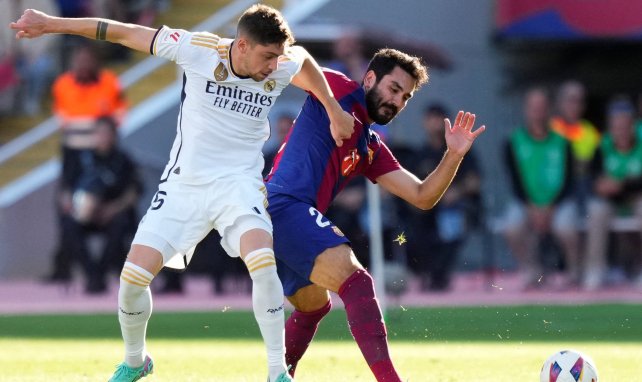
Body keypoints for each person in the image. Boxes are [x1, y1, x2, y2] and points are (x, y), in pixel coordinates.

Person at [11, 4, 354, 382]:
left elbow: (303, 61)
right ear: (241, 46)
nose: (275, 66)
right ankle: (136, 361)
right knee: (131, 280)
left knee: (262, 263)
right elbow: (123, 31)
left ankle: (277, 373)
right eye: (268, 56)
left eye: (277, 57)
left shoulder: (282, 62)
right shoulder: (197, 49)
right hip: (183, 187)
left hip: (238, 185)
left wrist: (334, 109)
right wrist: (51, 24)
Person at [264, 49, 485, 380]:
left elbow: (422, 196)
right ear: (370, 79)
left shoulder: (369, 146)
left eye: (406, 97)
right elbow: (287, 62)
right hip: (282, 205)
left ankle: (279, 375)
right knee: (357, 282)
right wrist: (331, 107)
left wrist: (453, 155)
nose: (397, 102)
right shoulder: (339, 88)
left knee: (313, 307)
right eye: (394, 89)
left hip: (285, 216)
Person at [502, 87, 580, 289]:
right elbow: (515, 180)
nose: (538, 112)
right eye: (533, 107)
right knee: (512, 227)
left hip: (558, 202)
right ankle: (532, 270)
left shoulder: (563, 142)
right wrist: (532, 207)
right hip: (527, 202)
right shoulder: (514, 141)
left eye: (542, 107)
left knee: (566, 227)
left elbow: (569, 180)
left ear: (549, 110)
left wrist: (551, 207)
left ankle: (573, 272)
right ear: (526, 110)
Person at [400, 103, 482, 291]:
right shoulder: (420, 155)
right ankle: (426, 273)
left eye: (439, 119)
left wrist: (457, 191)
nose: (435, 124)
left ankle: (440, 275)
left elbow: (474, 181)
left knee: (450, 226)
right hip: (426, 213)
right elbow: (411, 185)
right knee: (409, 232)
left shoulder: (461, 149)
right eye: (431, 119)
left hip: (454, 208)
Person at [60, 115, 141, 293]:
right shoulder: (82, 159)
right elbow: (66, 188)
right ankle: (91, 273)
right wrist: (74, 205)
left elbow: (133, 191)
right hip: (86, 214)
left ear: (114, 136)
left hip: (113, 214)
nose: (102, 137)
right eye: (99, 133)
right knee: (69, 226)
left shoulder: (123, 160)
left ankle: (101, 274)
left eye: (106, 133)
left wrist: (113, 208)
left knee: (120, 225)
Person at [585, 97, 642, 290]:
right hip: (611, 201)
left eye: (625, 124)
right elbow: (595, 179)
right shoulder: (603, 144)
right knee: (596, 210)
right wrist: (604, 185)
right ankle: (595, 270)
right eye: (617, 125)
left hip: (636, 198)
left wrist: (622, 184)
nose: (621, 130)